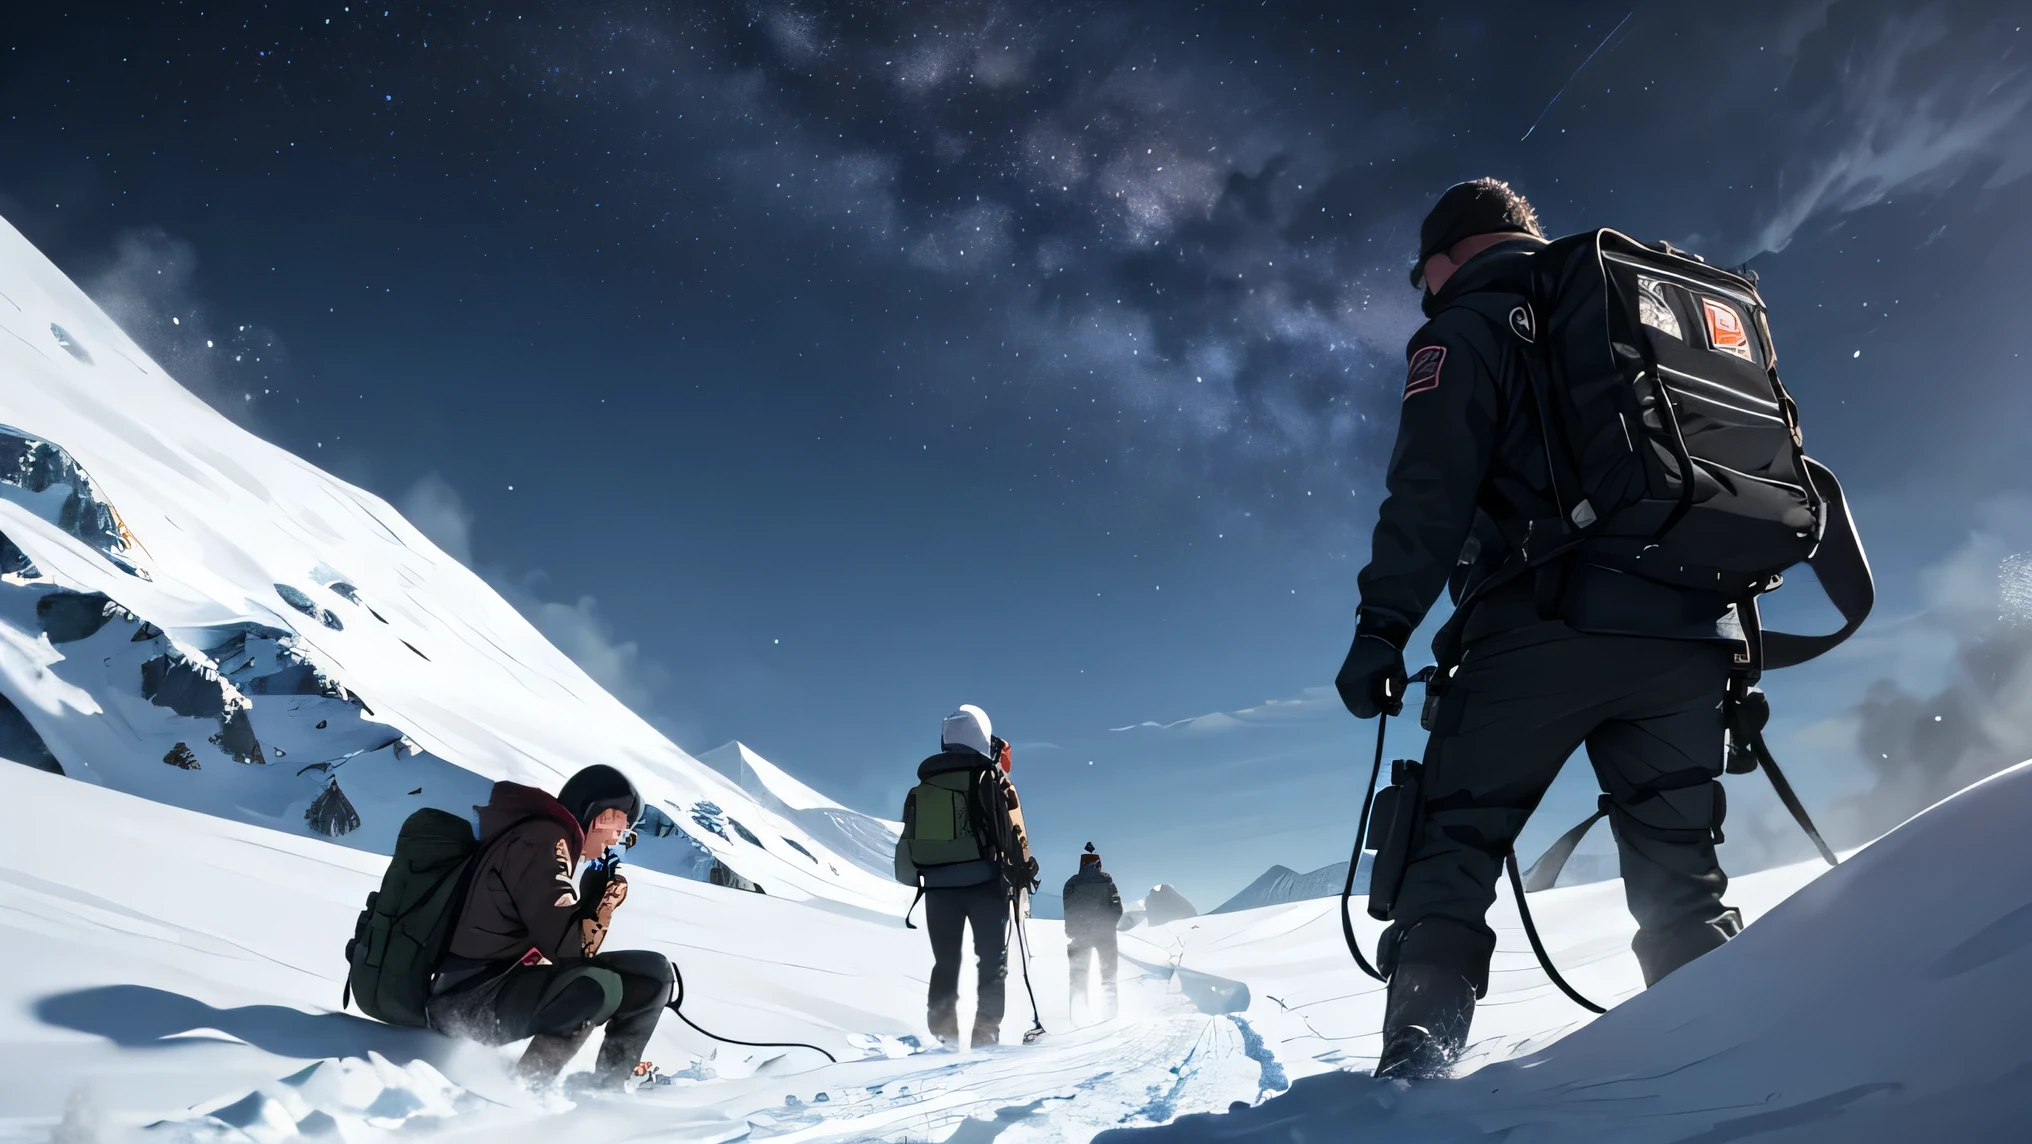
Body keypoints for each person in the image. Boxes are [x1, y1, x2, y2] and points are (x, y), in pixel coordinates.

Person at [1337, 178, 1746, 1080]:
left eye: (1421, 273)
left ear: (1449, 254)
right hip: (1690, 634)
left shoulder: (1466, 327)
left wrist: (1382, 628)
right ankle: (1728, 1067)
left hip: (1538, 629)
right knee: (1682, 871)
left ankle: (1416, 1072)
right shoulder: (1623, 310)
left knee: (1451, 843)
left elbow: (1429, 492)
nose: (1422, 289)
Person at [425, 764, 673, 1092]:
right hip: (469, 1002)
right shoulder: (542, 841)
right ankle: (522, 1095)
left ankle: (607, 1091)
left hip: (496, 983)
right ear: (599, 816)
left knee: (651, 974)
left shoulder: (545, 839)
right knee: (595, 986)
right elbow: (568, 950)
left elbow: (558, 942)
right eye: (620, 830)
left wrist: (591, 901)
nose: (616, 842)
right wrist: (600, 902)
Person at [894, 704, 1039, 1048]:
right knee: (991, 961)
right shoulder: (994, 780)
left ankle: (943, 1033)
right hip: (986, 883)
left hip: (938, 887)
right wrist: (1023, 872)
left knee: (946, 961)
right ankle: (985, 1032)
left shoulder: (924, 785)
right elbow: (1016, 836)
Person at [1062, 842, 1123, 1025]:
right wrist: (1109, 925)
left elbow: (1068, 909)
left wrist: (1072, 930)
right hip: (1105, 936)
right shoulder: (1107, 882)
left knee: (1078, 978)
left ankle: (1078, 1019)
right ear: (1098, 863)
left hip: (1079, 936)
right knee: (1109, 977)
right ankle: (1110, 1017)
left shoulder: (1071, 883)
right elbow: (1117, 908)